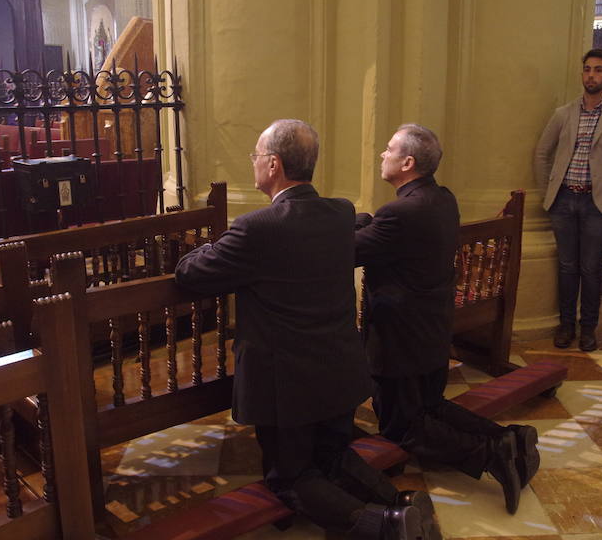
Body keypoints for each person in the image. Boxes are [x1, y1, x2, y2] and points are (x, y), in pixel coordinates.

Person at [175, 120, 435, 539]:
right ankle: (401, 505)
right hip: (338, 370)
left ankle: (386, 527)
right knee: (332, 455)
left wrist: (210, 244)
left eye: (257, 156)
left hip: (287, 385)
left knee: (289, 477)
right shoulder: (339, 212)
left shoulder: (255, 229)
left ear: (274, 165)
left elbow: (190, 273)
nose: (254, 163)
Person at [355, 123, 539, 516]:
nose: (381, 155)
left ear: (407, 162)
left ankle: (491, 454)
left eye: (388, 150)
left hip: (399, 338)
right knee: (430, 406)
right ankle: (511, 439)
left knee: (400, 425)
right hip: (432, 328)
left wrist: (339, 220)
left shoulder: (399, 213)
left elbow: (352, 249)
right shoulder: (442, 198)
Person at [534, 48, 602, 351]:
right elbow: (542, 153)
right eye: (588, 69)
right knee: (567, 266)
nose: (592, 75)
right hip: (564, 200)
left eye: (599, 70)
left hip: (598, 204)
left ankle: (588, 327)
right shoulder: (564, 113)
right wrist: (548, 191)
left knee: (591, 268)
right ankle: (566, 324)